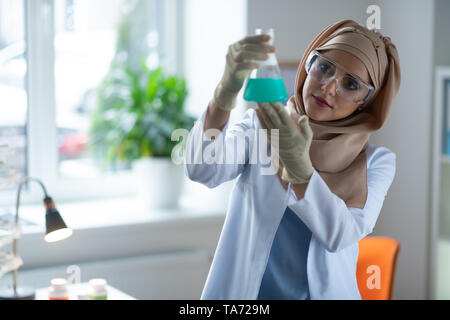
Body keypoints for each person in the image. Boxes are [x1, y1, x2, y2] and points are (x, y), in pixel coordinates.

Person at [184, 19, 401, 300]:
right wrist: (224, 93)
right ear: (308, 64)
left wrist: (300, 169)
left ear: (367, 102)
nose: (328, 88)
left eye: (350, 84)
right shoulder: (262, 126)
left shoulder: (376, 162)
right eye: (324, 67)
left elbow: (340, 235)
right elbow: (202, 168)